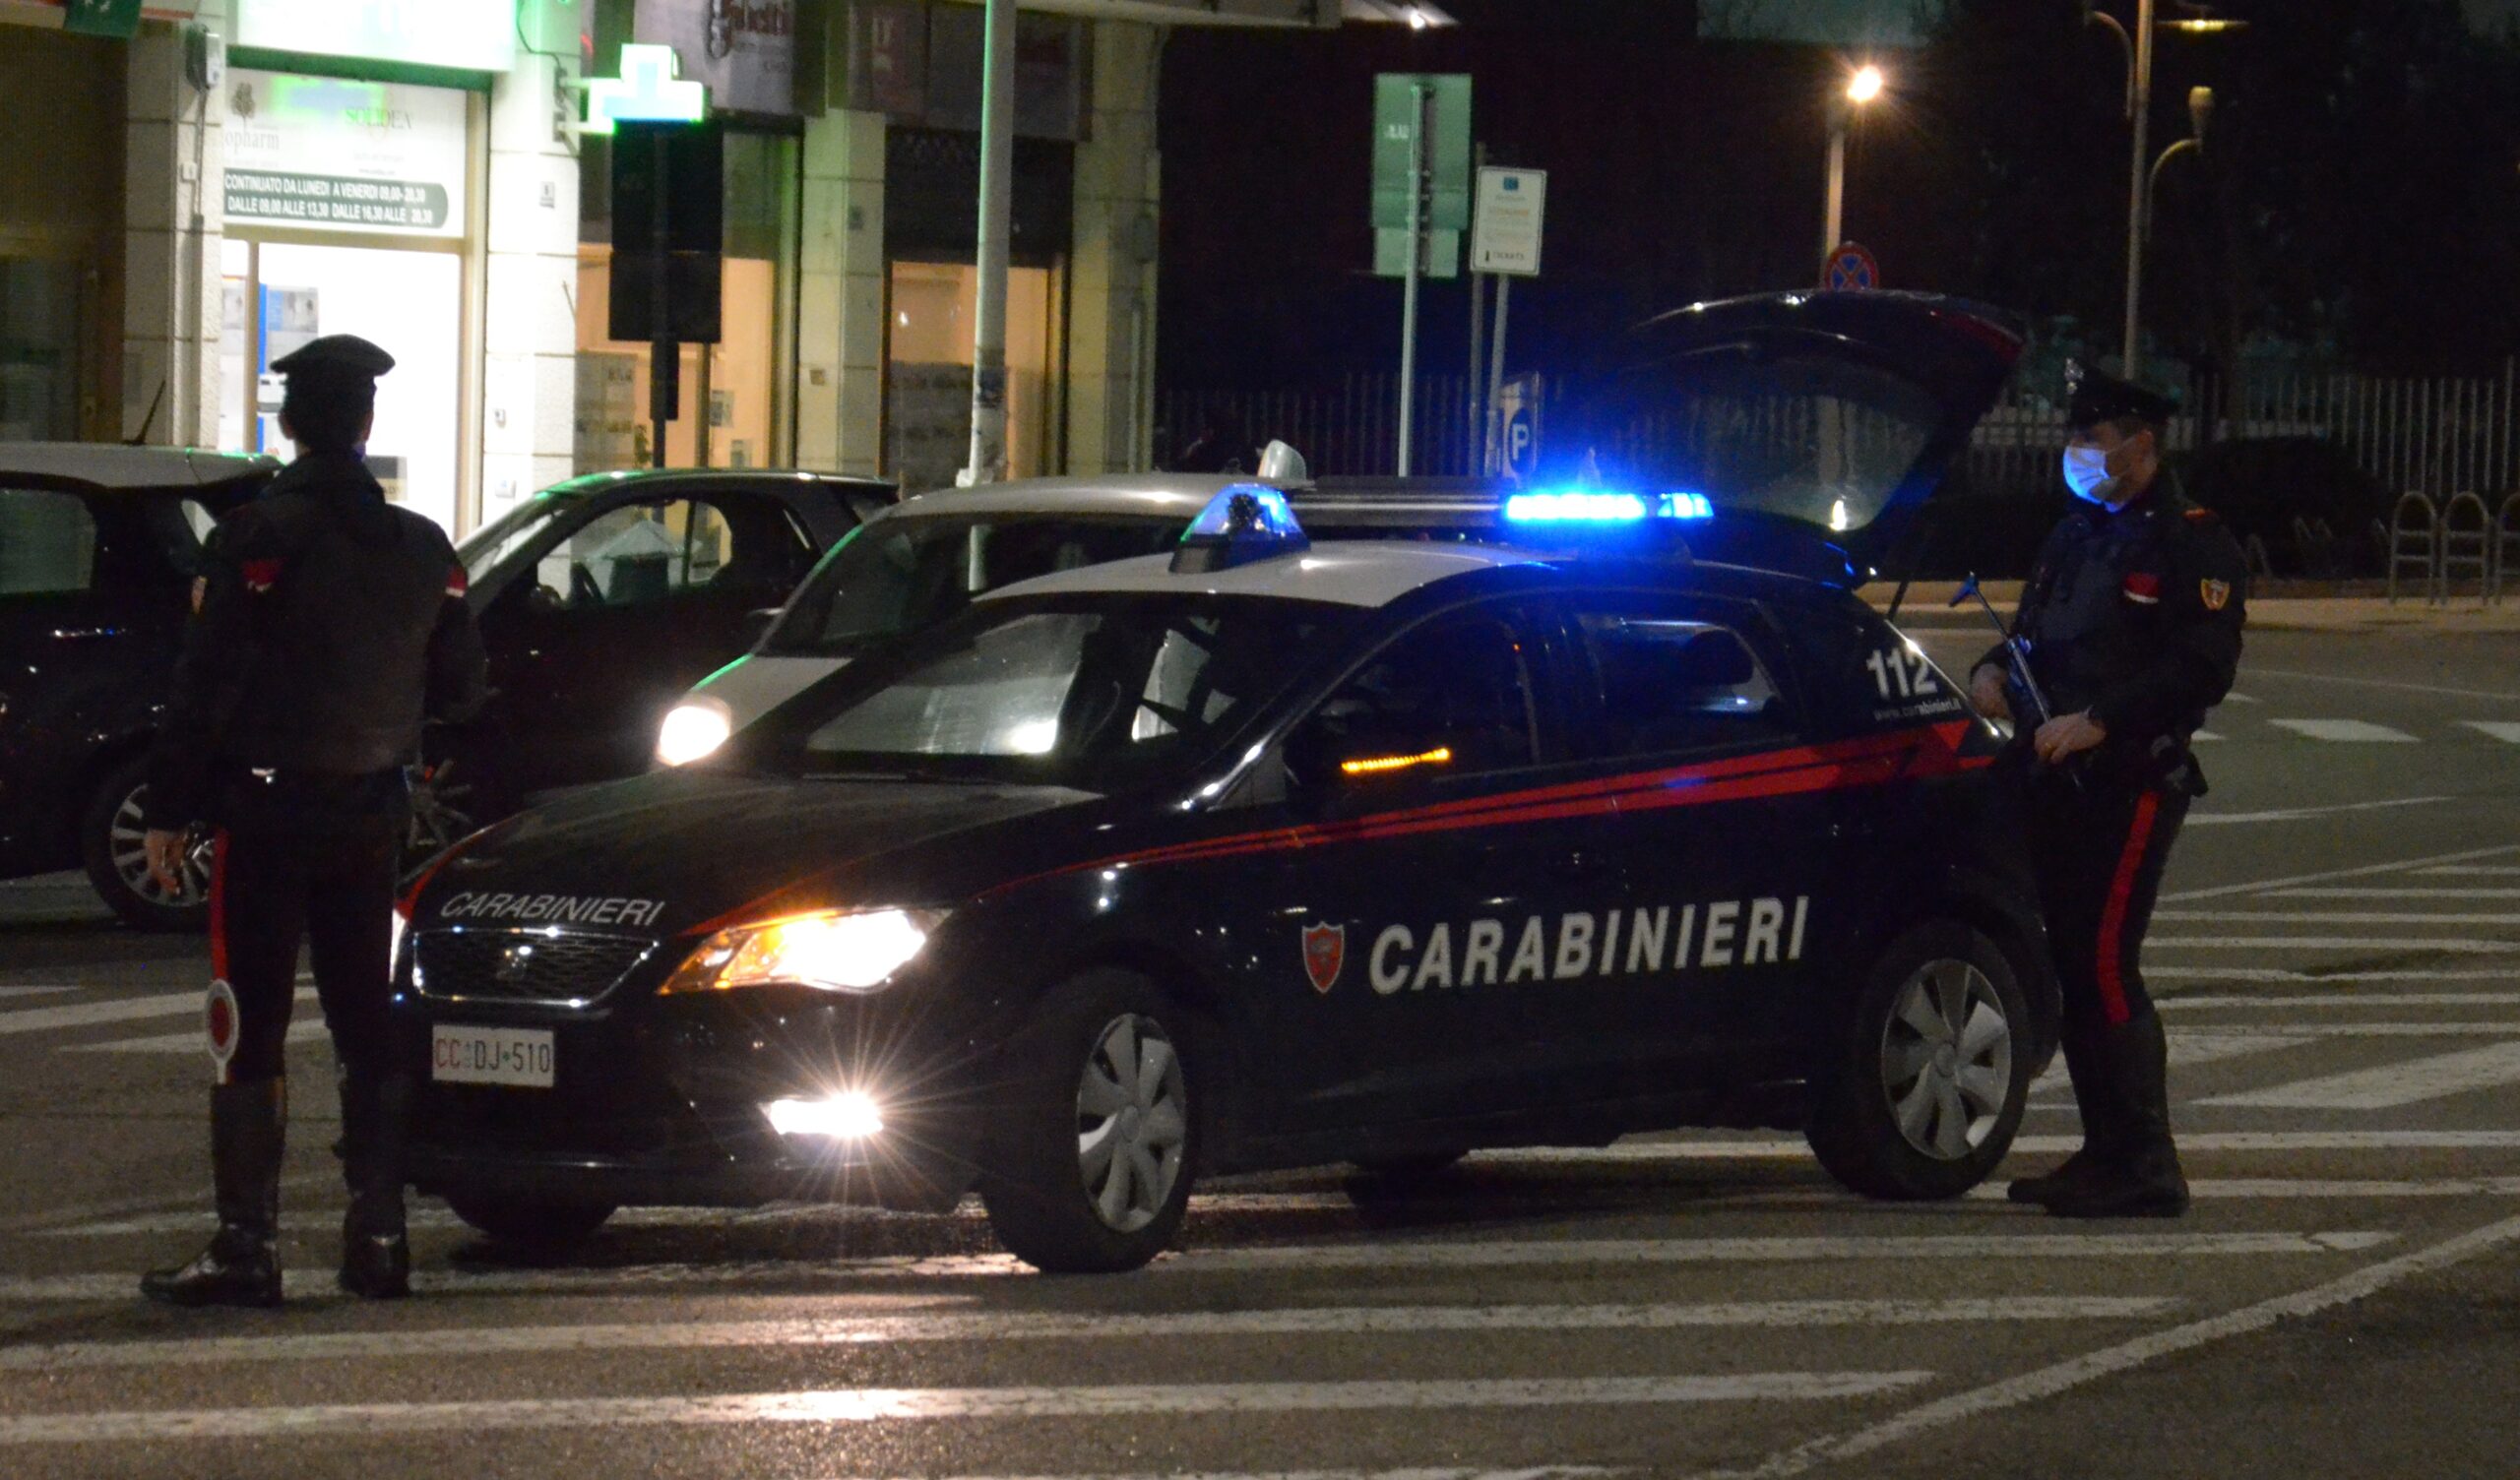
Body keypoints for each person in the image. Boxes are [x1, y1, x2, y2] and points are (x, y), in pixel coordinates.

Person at [139, 335, 487, 1306]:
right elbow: (461, 688)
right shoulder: (425, 548)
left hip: (264, 807)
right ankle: (378, 1234)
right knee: (362, 1015)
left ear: (291, 425)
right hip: (371, 808)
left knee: (246, 1013)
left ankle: (246, 1243)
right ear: (366, 425)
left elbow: (201, 684)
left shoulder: (254, 539)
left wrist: (171, 803)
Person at [1971, 364, 2245, 1219]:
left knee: (2102, 963)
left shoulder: (2193, 543)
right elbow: (2032, 636)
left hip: (2128, 781)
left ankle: (2146, 1162)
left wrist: (2102, 720)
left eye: (2094, 439)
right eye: (2076, 438)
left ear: (2142, 445)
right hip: (2056, 781)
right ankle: (2105, 1153)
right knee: (2074, 967)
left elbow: (2202, 667)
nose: (2080, 453)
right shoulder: (2075, 536)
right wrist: (1993, 672)